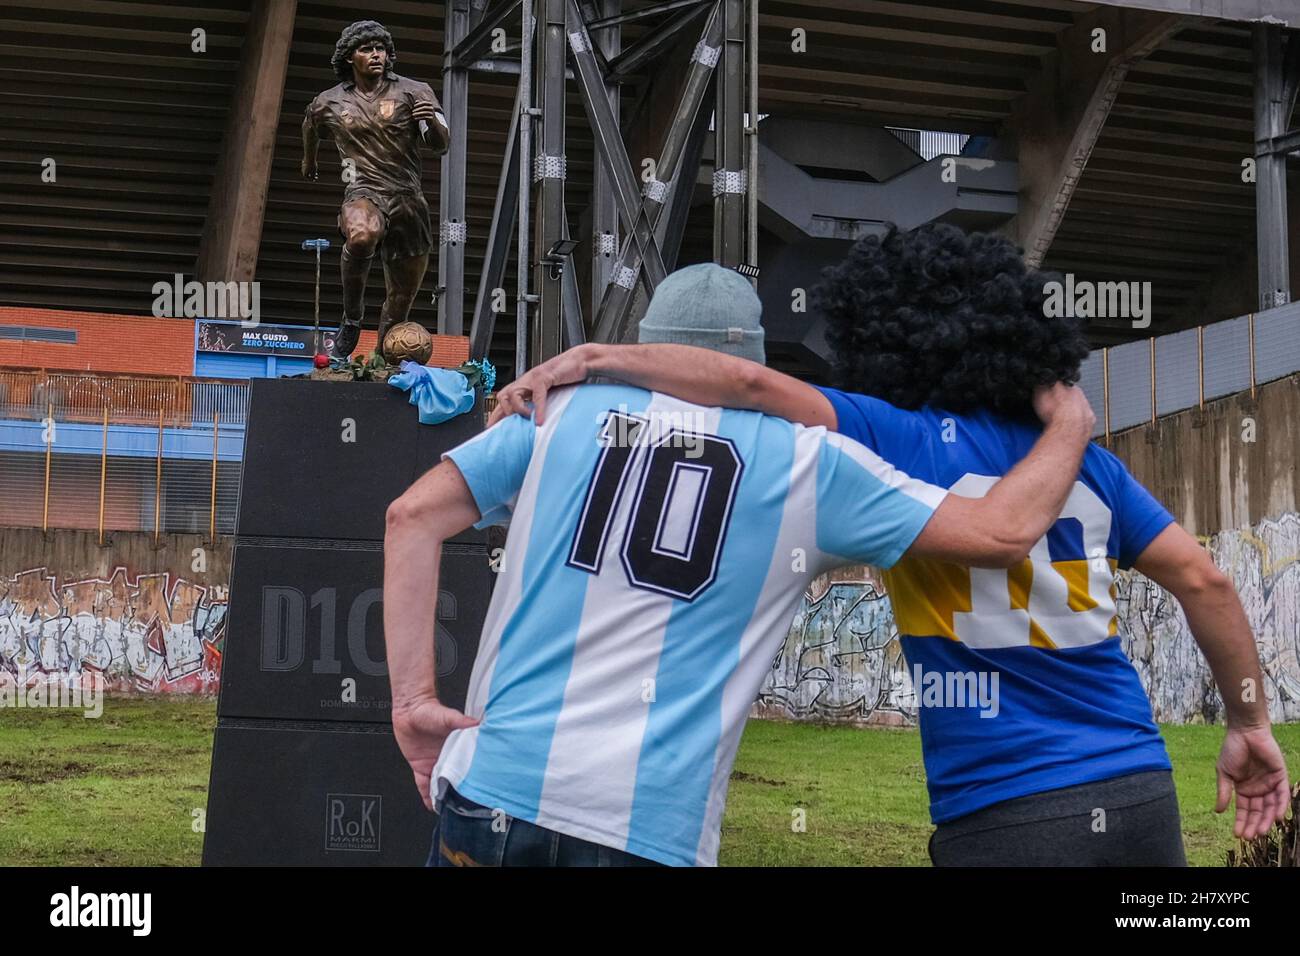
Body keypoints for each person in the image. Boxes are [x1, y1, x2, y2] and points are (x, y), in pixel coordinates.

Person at [492, 224, 1292, 866]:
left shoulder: (897, 439)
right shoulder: (1089, 464)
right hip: (1137, 793)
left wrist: (596, 358)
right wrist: (1248, 723)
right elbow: (1209, 584)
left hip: (1000, 808)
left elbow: (745, 383)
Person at [384, 262, 1096, 867]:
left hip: (494, 793)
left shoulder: (556, 411)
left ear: (648, 346)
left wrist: (413, 703)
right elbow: (1003, 533)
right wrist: (1070, 425)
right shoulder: (807, 463)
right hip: (644, 831)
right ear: (754, 356)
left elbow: (409, 518)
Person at [301, 20, 450, 359]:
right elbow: (309, 124)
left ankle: (381, 363)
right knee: (362, 234)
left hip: (408, 200)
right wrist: (308, 161)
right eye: (366, 49)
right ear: (350, 57)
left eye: (380, 48)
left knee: (400, 300)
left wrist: (434, 123)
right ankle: (352, 319)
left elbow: (439, 144)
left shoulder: (415, 91)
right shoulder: (329, 101)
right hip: (362, 190)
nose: (376, 55)